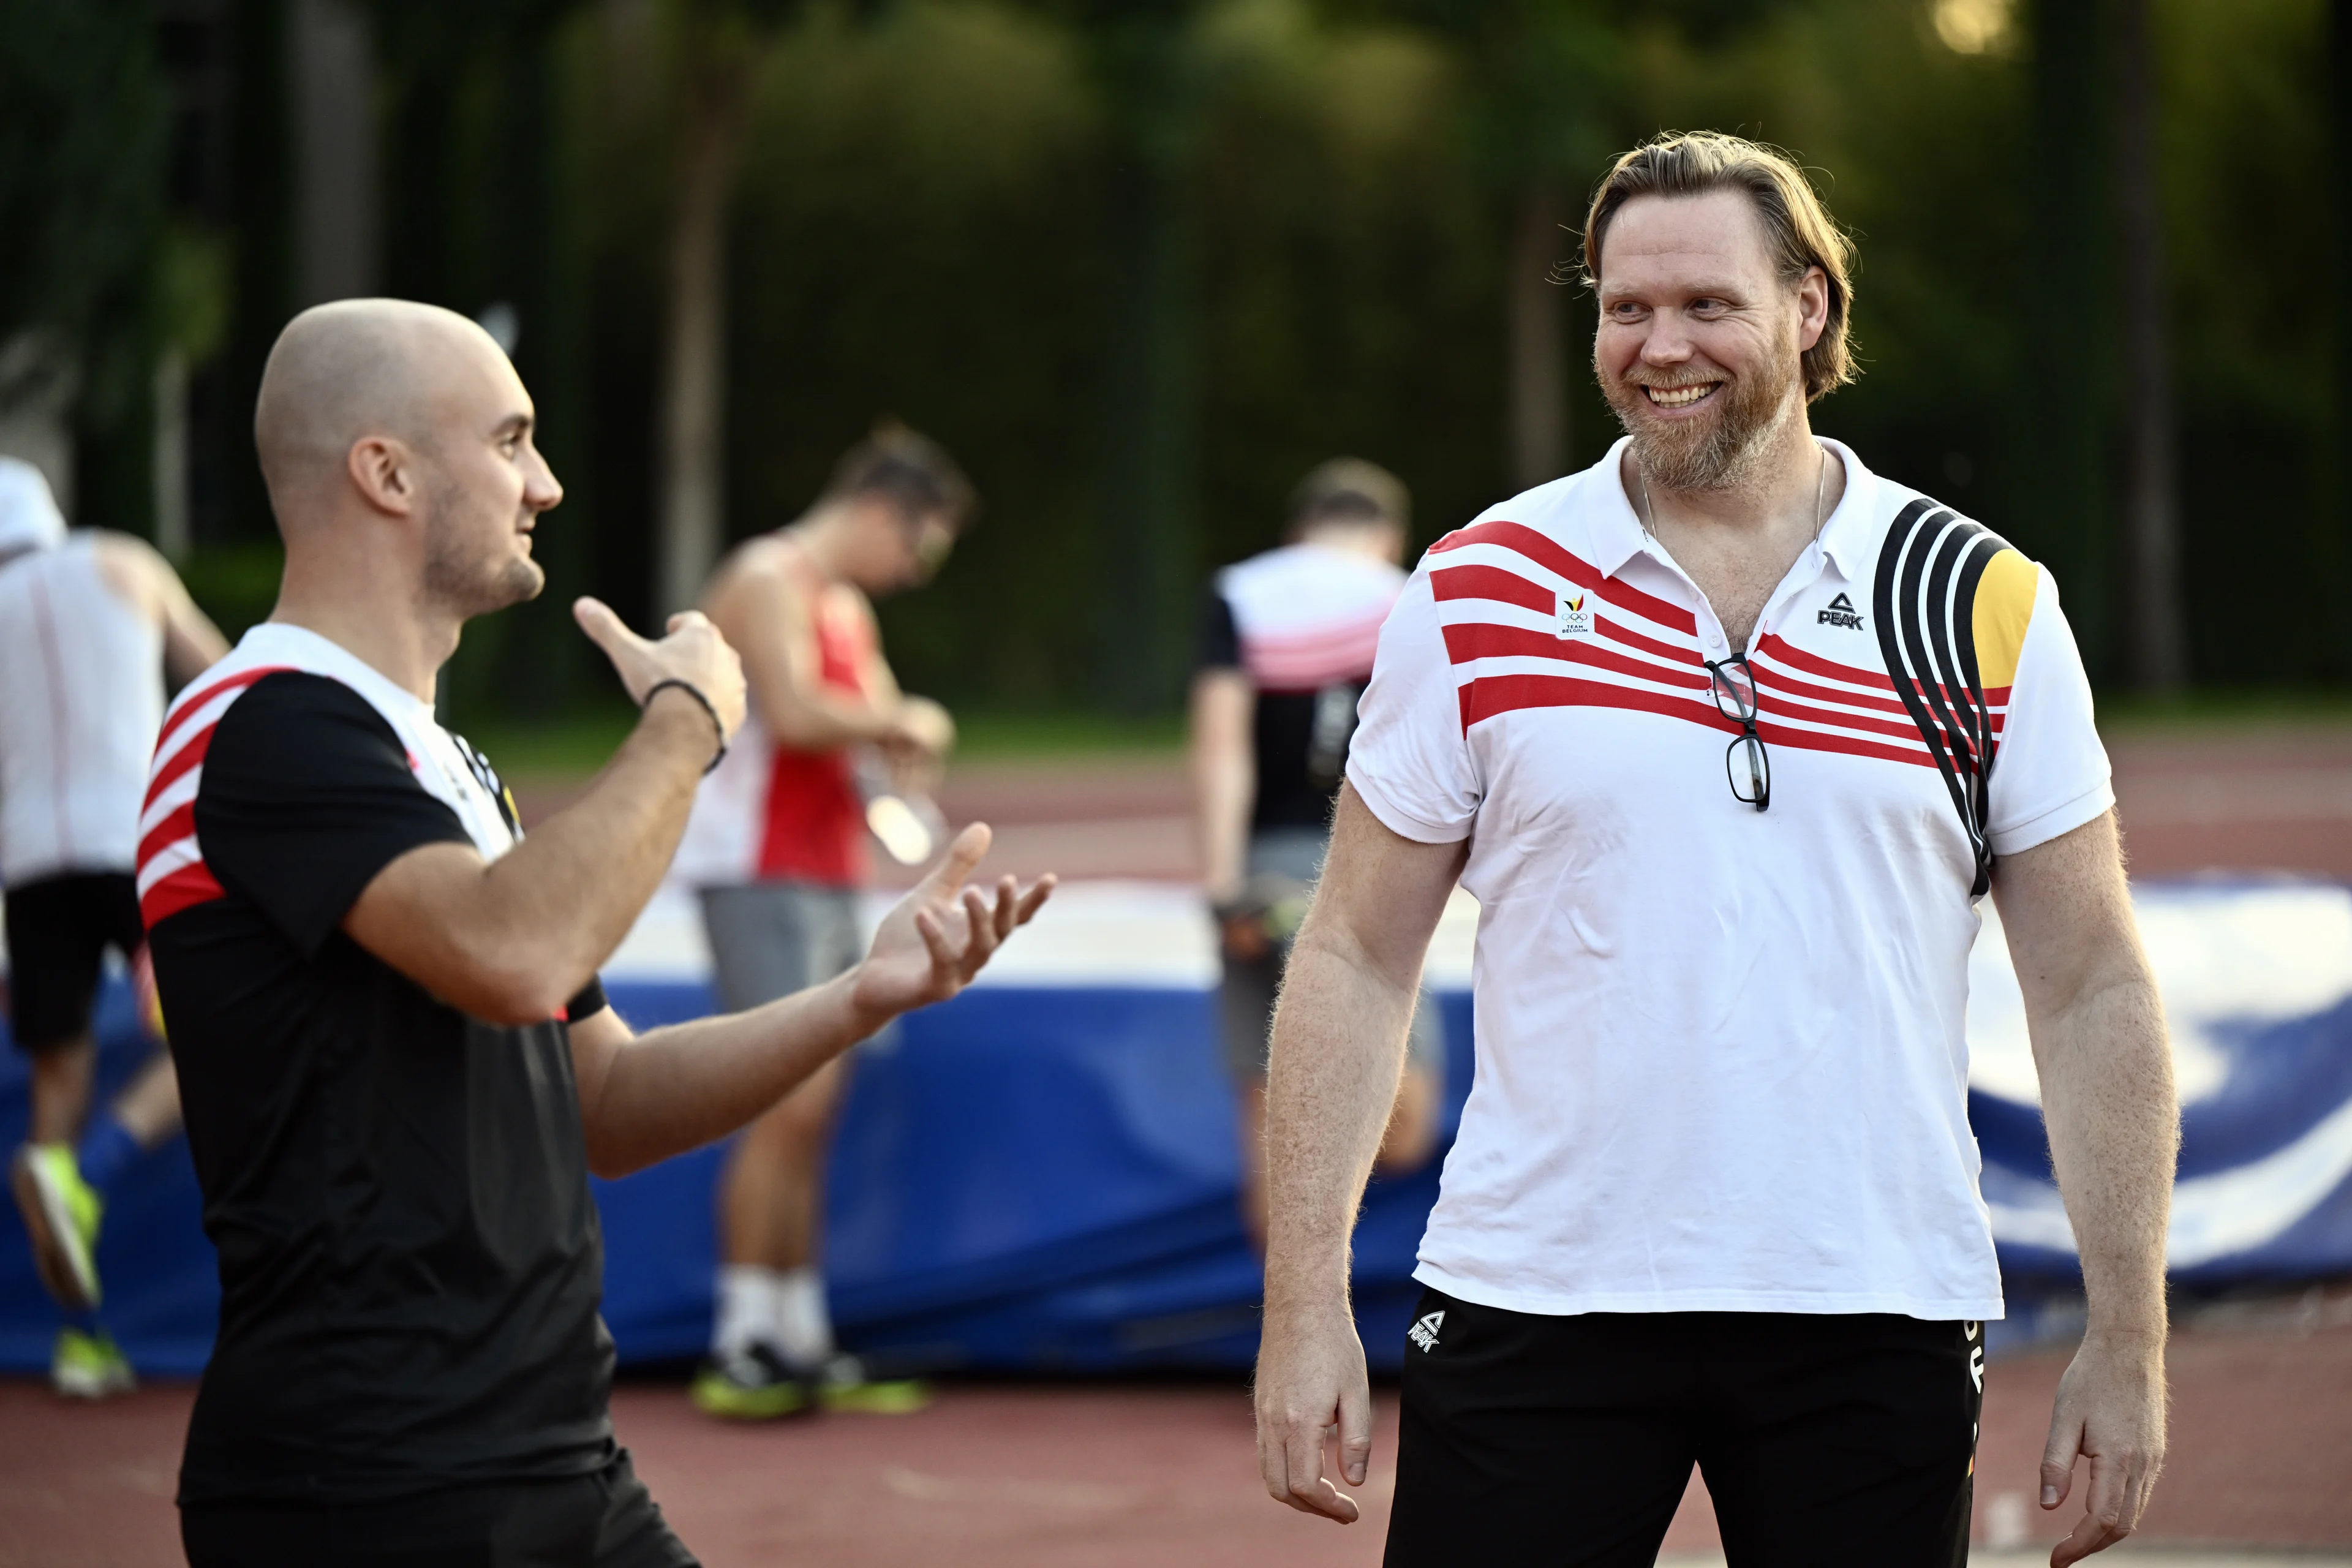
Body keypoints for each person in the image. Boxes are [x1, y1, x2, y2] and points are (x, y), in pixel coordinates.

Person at [1252, 132, 2176, 1568]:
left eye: (1706, 306)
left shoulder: (1982, 598)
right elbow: (1359, 951)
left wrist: (2132, 1329)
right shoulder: (1479, 586)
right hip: (1534, 1292)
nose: (1657, 346)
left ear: (1810, 308)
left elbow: (2092, 983)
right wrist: (1301, 1292)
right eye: (1626, 308)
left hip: (1872, 1303)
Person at [141, 298, 1050, 1567]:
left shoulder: (440, 761)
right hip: (370, 1478)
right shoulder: (267, 724)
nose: (549, 484)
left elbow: (604, 1097)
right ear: (385, 472)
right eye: (510, 440)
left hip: (542, 1455)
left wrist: (863, 991)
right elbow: (516, 951)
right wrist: (686, 721)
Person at [670, 425, 968, 1420]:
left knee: (815, 1107)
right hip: (757, 865)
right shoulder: (769, 575)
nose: (915, 573)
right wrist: (899, 720)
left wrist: (899, 744)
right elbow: (799, 713)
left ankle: (795, 1330)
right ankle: (744, 1333)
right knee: (781, 1101)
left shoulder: (841, 603)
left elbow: (868, 727)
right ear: (885, 511)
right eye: (919, 550)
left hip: (824, 865)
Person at [0, 456, 230, 1396]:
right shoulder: (124, 562)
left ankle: (80, 1340)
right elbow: (223, 680)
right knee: (207, 1031)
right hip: (141, 846)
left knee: (60, 1072)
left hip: (27, 865)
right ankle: (94, 1169)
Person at [1190, 459, 1443, 1252]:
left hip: (1265, 866)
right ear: (1387, 532)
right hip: (1374, 865)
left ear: (1297, 530)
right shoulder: (1413, 592)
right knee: (1406, 1123)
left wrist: (1224, 886)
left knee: (1272, 1109)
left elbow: (1220, 748)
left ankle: (1289, 1347)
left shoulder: (1239, 593)